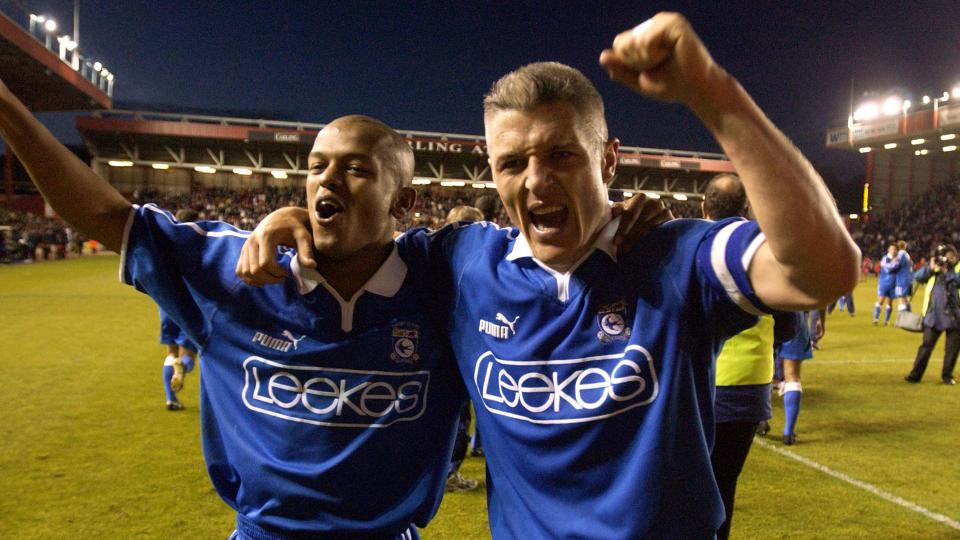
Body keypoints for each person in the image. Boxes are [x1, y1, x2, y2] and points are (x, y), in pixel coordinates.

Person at [240, 13, 859, 538]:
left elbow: (826, 270)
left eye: (561, 154)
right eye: (512, 162)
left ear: (608, 159)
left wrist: (713, 94)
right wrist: (294, 217)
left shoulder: (674, 259)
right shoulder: (460, 264)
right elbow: (359, 241)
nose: (535, 181)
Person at [0, 83, 474, 538]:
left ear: (404, 201)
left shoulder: (445, 283)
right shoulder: (237, 276)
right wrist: (8, 109)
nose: (327, 178)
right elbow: (106, 215)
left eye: (356, 169)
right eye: (316, 167)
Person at [700, 173, 796, 539]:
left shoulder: (690, 246)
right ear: (745, 208)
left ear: (704, 207)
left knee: (681, 483)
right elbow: (788, 325)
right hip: (747, 388)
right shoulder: (765, 253)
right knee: (724, 482)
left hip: (697, 385)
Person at [904, 244, 960, 385]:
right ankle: (915, 375)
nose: (948, 259)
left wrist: (946, 271)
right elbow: (916, 276)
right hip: (934, 316)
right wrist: (931, 268)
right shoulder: (933, 269)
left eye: (951, 256)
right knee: (926, 347)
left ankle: (947, 376)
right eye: (946, 256)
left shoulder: (957, 270)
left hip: (955, 315)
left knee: (952, 350)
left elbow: (957, 281)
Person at [159, 307, 198, 411]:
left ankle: (171, 399)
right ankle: (182, 367)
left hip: (166, 308)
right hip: (188, 311)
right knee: (188, 356)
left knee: (172, 353)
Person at [874, 244, 900, 325]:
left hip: (893, 284)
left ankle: (886, 320)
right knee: (880, 300)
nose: (893, 251)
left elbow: (894, 267)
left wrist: (893, 264)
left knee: (890, 303)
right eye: (892, 249)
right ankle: (876, 318)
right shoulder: (885, 258)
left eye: (895, 249)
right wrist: (893, 263)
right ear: (888, 250)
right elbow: (889, 268)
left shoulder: (898, 259)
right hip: (884, 283)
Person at [895, 240, 914, 312]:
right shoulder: (907, 254)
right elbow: (911, 264)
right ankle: (908, 317)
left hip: (902, 279)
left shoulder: (900, 254)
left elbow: (896, 266)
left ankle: (902, 319)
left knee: (901, 299)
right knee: (906, 300)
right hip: (909, 279)